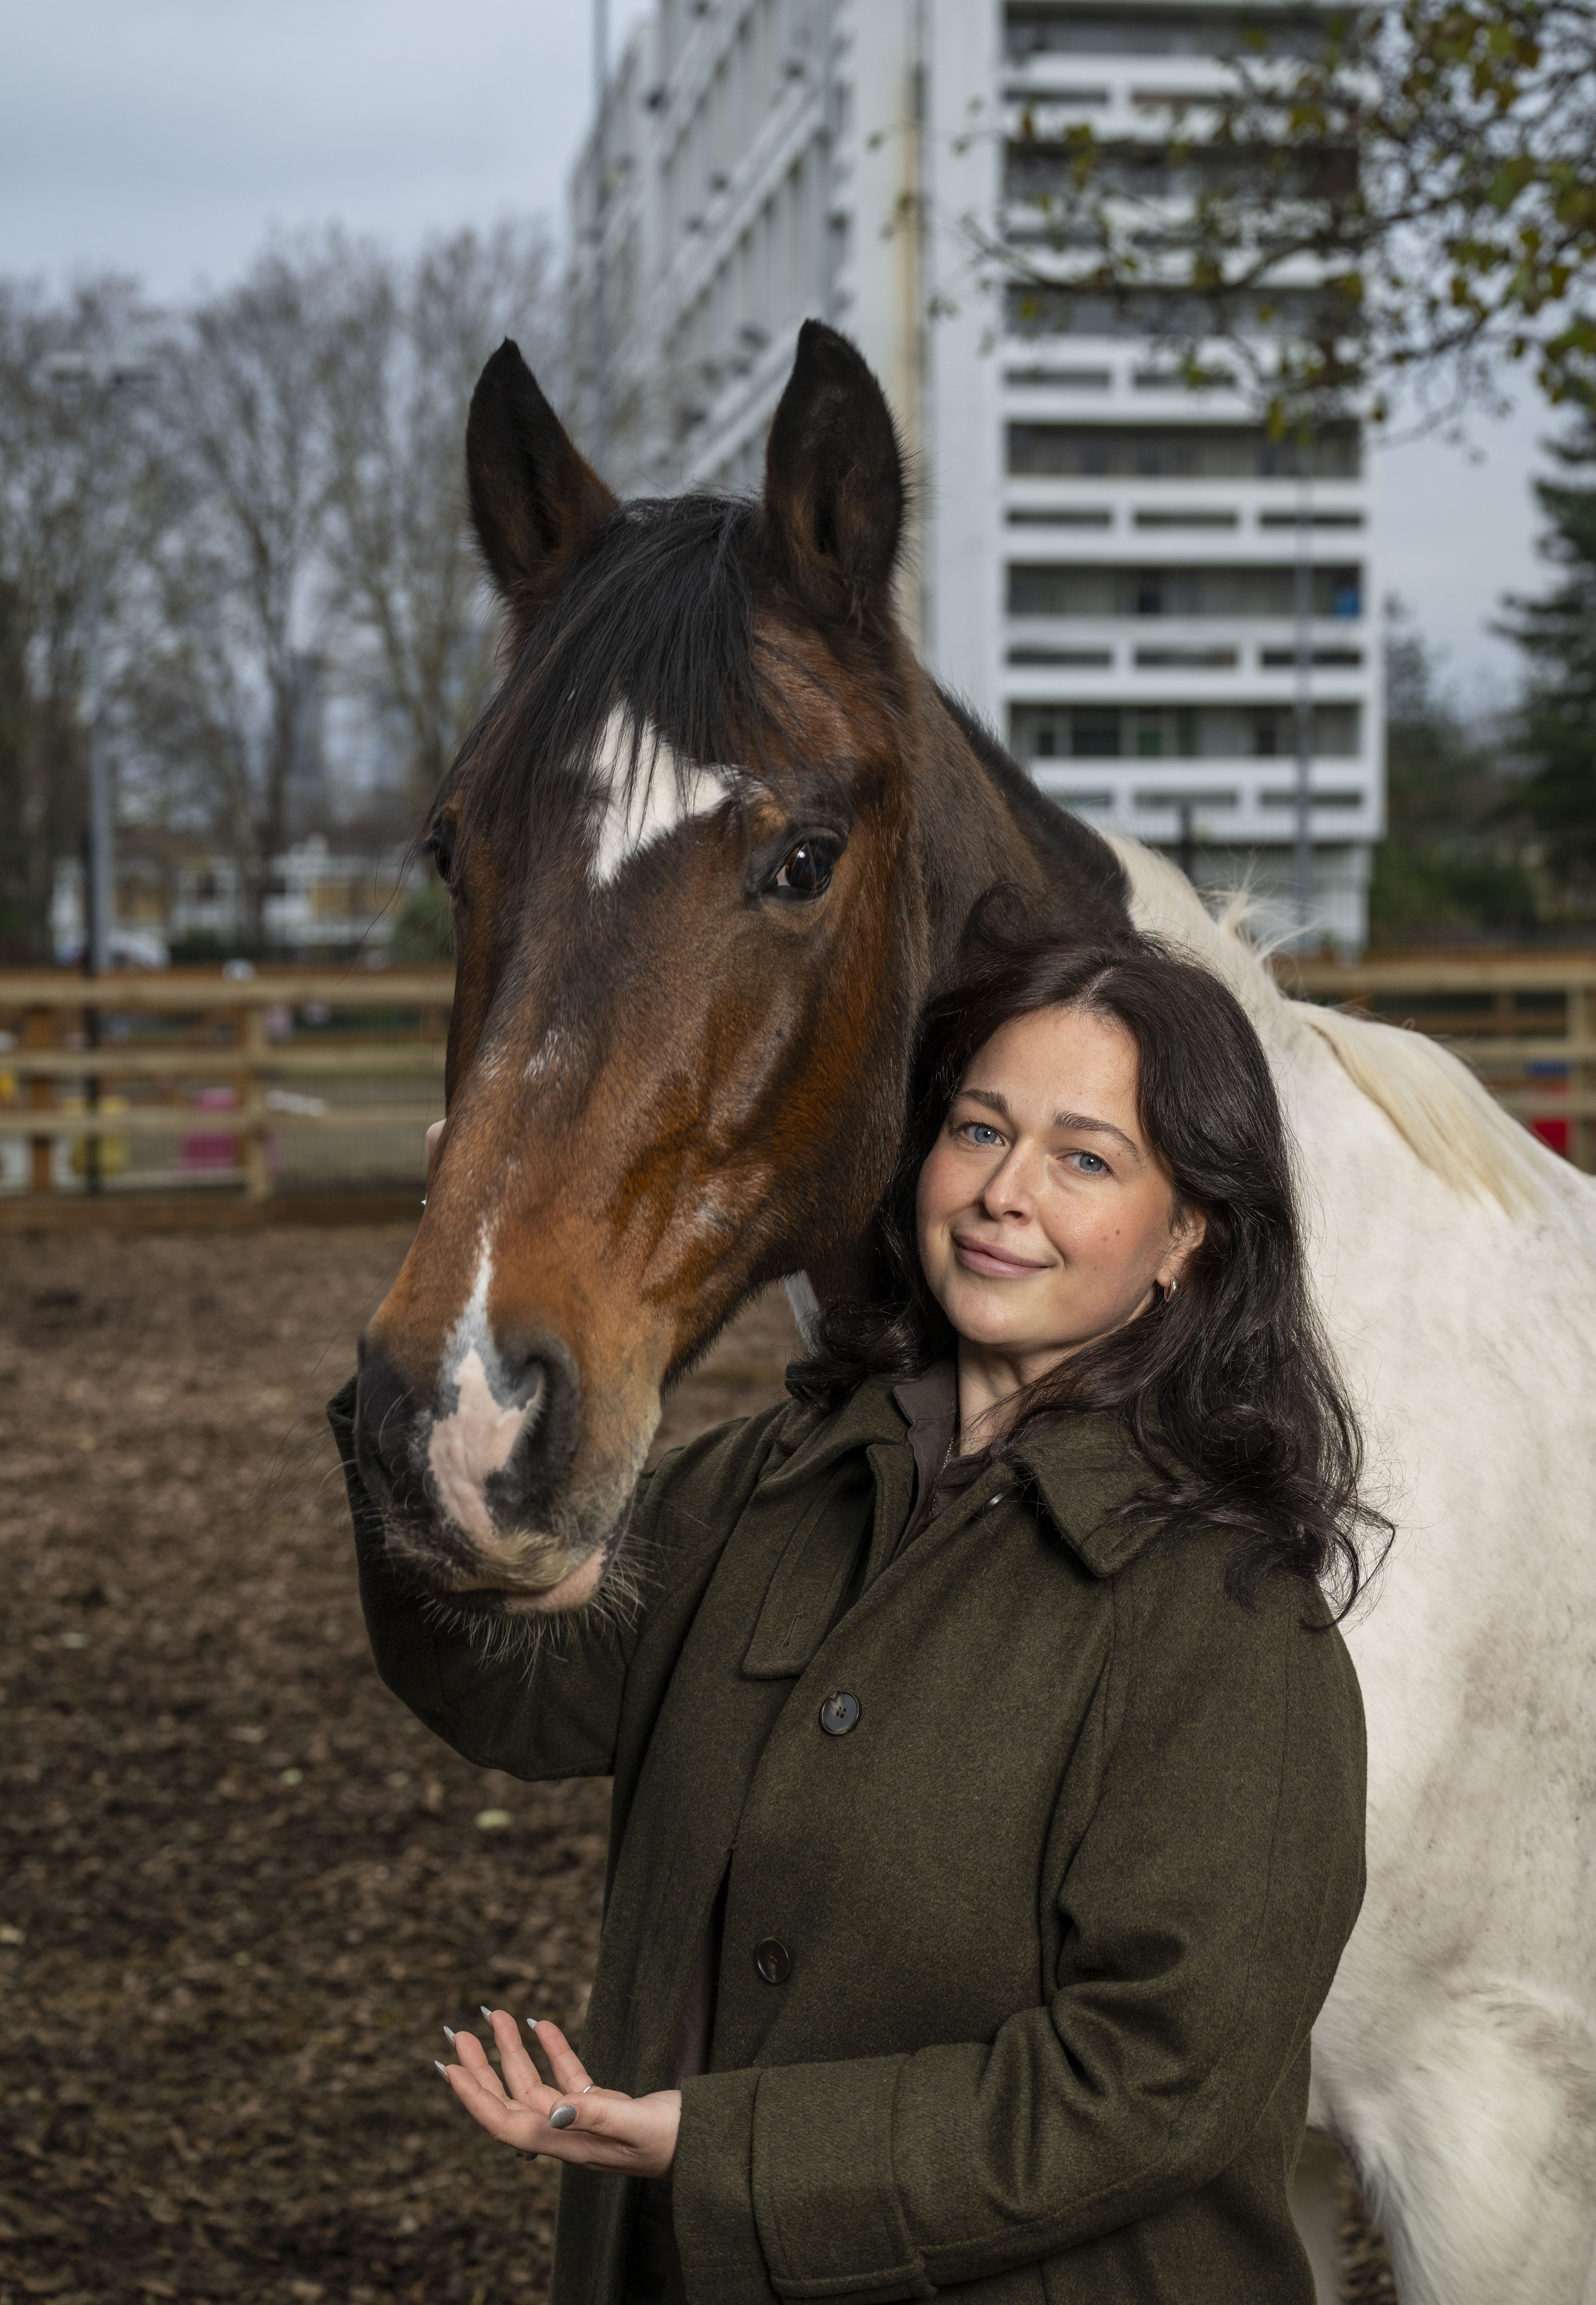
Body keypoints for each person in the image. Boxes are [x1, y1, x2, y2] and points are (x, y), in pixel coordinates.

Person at [332, 918, 1378, 2305]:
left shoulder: (1236, 1623)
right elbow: (510, 1690)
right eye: (979, 1130)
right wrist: (439, 1352)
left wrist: (727, 2152)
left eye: (1085, 1158)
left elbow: (1153, 2086)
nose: (1008, 1193)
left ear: (1189, 1234)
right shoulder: (767, 1485)